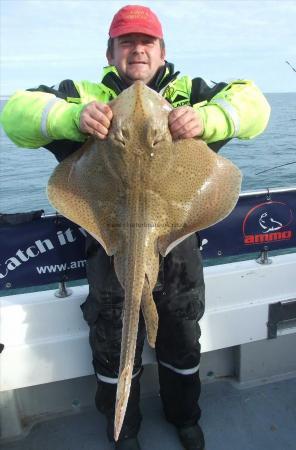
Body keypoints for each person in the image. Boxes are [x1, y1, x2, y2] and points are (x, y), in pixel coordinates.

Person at [0, 5, 270, 450]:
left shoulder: (191, 94)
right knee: (113, 336)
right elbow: (16, 113)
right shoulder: (83, 95)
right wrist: (72, 119)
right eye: (127, 43)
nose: (138, 50)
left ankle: (185, 416)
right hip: (110, 245)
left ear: (163, 52)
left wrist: (208, 120)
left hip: (178, 245)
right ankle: (122, 428)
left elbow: (253, 104)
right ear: (111, 54)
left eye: (147, 42)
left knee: (181, 334)